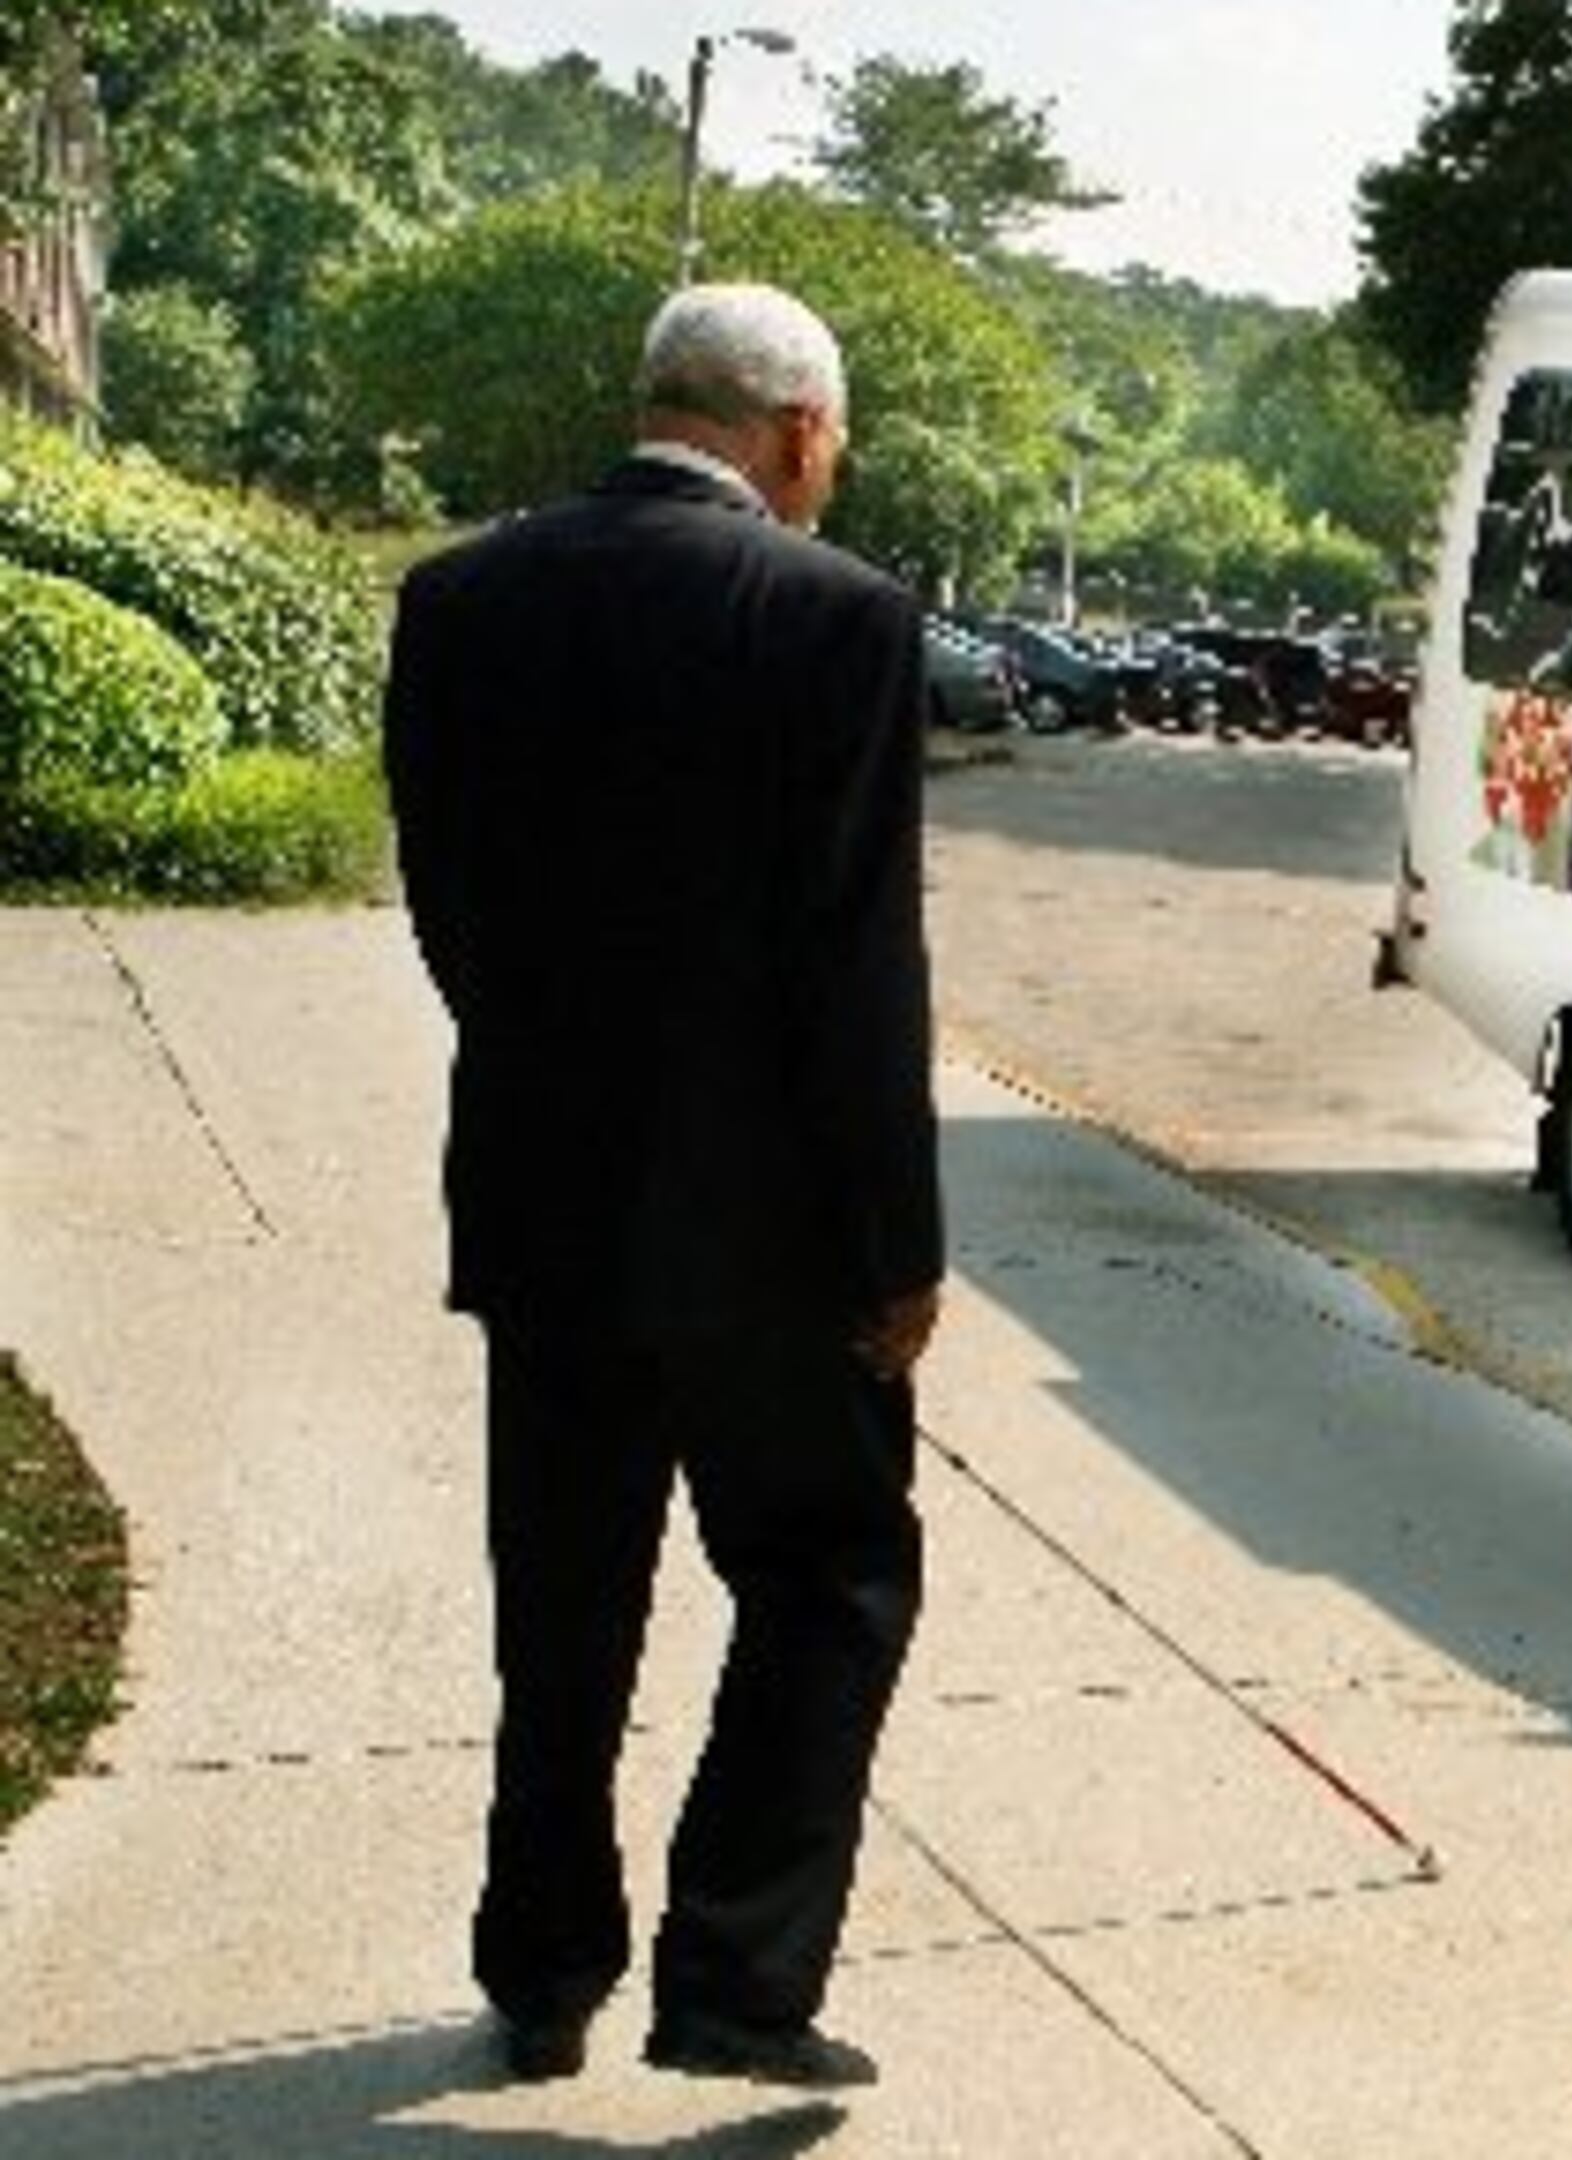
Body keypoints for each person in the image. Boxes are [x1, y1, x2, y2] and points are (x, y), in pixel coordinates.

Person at [383, 282, 943, 2089]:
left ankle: (541, 1973)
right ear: (792, 428)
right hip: (769, 1236)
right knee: (832, 1569)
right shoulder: (836, 618)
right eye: (833, 445)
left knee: (562, 1603)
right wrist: (895, 1247)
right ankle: (736, 1981)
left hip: (542, 1199)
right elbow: (859, 968)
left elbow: (449, 907)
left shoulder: (457, 601)